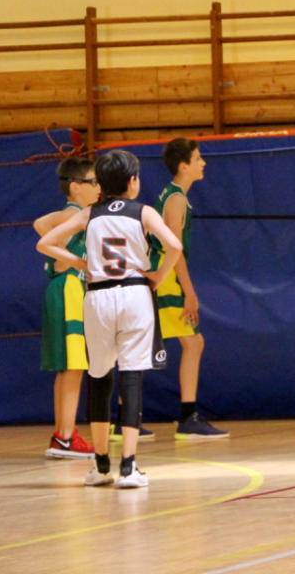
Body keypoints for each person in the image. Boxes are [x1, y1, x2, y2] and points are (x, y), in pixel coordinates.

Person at [37, 149, 182, 488]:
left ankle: (101, 466)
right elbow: (174, 245)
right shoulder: (143, 211)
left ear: (100, 185)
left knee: (99, 377)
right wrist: (158, 276)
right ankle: (129, 467)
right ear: (133, 182)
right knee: (131, 377)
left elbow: (45, 242)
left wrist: (80, 263)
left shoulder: (90, 213)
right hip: (134, 294)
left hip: (98, 296)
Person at [149, 138, 227, 439]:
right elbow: (174, 249)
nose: (203, 162)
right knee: (191, 343)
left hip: (163, 273)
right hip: (165, 275)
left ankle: (128, 418)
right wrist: (190, 293)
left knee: (163, 344)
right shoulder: (176, 198)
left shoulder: (174, 195)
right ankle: (187, 417)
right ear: (184, 166)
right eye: (197, 158)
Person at [32, 157, 101, 459]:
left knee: (67, 367)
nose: (99, 187)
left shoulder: (73, 214)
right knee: (74, 365)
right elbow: (41, 227)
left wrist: (62, 254)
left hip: (62, 288)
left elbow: (40, 224)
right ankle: (66, 436)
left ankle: (63, 434)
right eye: (93, 182)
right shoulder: (76, 213)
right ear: (75, 187)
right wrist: (74, 261)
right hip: (69, 287)